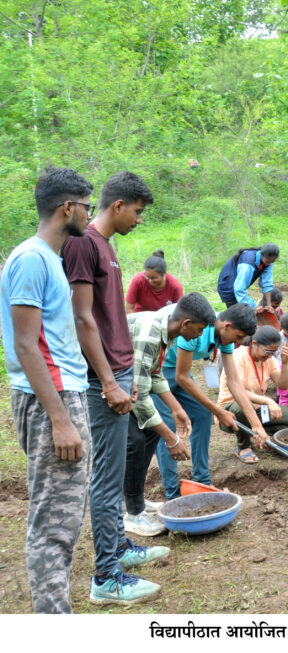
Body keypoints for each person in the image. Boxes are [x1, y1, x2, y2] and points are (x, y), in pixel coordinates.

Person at [61, 171, 165, 605]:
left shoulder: (107, 247)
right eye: (137, 212)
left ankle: (119, 548)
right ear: (117, 205)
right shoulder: (83, 243)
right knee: (105, 481)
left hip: (120, 374)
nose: (139, 220)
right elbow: (82, 318)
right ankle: (106, 575)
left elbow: (108, 317)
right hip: (101, 381)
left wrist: (123, 376)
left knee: (115, 470)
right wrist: (107, 381)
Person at [0, 167, 93, 613]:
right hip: (50, 402)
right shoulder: (32, 259)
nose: (89, 215)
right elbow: (25, 343)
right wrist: (60, 419)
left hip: (62, 394)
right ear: (67, 208)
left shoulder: (50, 259)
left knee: (66, 516)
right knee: (53, 522)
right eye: (86, 207)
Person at [122, 296, 215, 538]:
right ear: (185, 323)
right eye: (198, 329)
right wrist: (172, 439)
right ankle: (133, 514)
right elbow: (140, 398)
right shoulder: (150, 334)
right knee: (134, 442)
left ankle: (136, 501)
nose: (198, 336)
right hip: (102, 383)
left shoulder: (169, 333)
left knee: (149, 435)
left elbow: (154, 374)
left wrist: (175, 407)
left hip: (128, 382)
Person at [153, 303, 265, 501]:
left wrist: (256, 425)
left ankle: (202, 482)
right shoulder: (198, 328)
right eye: (238, 337)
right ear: (227, 326)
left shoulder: (225, 335)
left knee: (202, 414)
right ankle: (173, 494)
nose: (238, 342)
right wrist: (219, 410)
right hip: (159, 369)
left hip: (179, 371)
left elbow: (234, 381)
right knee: (167, 428)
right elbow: (182, 377)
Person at [217, 325, 288, 462]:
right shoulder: (238, 356)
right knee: (241, 408)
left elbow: (283, 385)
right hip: (231, 411)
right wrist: (268, 400)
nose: (271, 356)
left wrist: (284, 363)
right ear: (254, 344)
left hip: (258, 409)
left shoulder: (268, 358)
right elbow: (240, 392)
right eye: (268, 351)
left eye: (274, 353)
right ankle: (244, 446)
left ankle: (257, 435)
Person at [217, 243, 279, 307]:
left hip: (238, 287)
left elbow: (267, 284)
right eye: (268, 261)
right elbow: (239, 289)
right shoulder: (248, 264)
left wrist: (269, 305)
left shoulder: (268, 262)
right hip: (228, 288)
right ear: (261, 254)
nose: (269, 264)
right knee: (239, 314)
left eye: (272, 262)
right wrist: (254, 306)